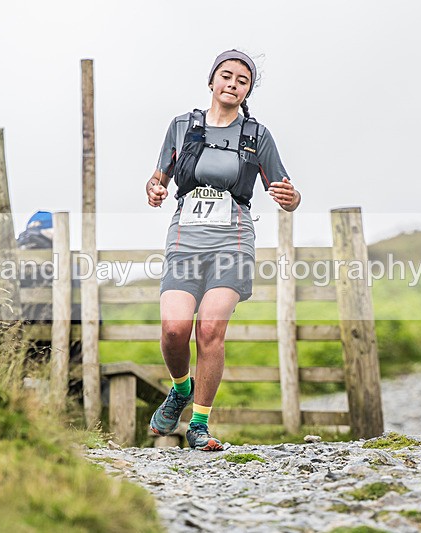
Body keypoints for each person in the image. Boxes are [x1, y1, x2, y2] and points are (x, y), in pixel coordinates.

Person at [146, 50, 301, 451]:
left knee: (211, 328)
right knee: (174, 329)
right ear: (212, 81)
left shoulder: (256, 135)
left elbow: (287, 192)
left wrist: (291, 197)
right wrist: (155, 188)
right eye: (226, 76)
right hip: (185, 234)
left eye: (242, 80)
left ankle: (198, 424)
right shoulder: (182, 126)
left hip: (232, 237)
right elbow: (158, 177)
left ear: (247, 90)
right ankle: (180, 389)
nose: (233, 84)